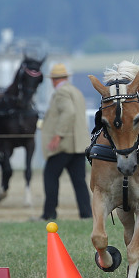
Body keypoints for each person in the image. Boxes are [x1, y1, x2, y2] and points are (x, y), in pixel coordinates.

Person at [39, 63, 92, 221]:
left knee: (50, 176)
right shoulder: (76, 91)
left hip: (64, 145)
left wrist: (58, 135)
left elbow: (69, 112)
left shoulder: (61, 93)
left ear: (53, 80)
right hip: (78, 145)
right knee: (79, 181)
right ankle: (86, 214)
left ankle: (49, 213)